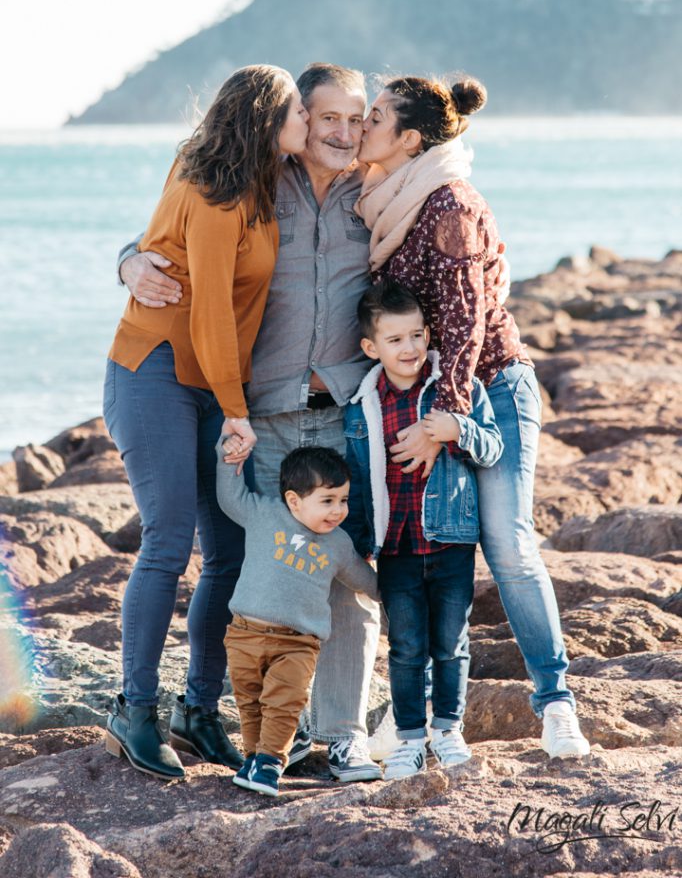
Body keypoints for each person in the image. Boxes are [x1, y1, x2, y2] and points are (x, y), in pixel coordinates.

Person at [117, 64, 384, 782]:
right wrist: (127, 260)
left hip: (277, 401)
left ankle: (234, 717)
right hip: (207, 392)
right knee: (196, 548)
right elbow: (184, 264)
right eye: (315, 115)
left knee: (277, 559)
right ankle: (155, 710)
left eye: (353, 120)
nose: (335, 130)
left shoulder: (349, 188)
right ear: (282, 123)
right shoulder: (237, 182)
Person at [354, 74, 591, 760]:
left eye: (375, 118)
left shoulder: (449, 202)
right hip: (424, 395)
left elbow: (464, 324)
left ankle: (555, 706)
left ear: (410, 138)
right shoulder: (381, 199)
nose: (363, 127)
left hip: (488, 390)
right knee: (407, 547)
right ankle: (405, 719)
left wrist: (445, 422)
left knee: (507, 543)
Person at [103, 65, 310, 781]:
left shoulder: (261, 185)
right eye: (300, 115)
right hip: (155, 375)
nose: (310, 127)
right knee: (166, 540)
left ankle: (199, 709)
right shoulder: (214, 191)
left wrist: (126, 256)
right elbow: (212, 311)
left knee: (228, 549)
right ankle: (134, 709)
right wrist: (235, 411)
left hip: (212, 385)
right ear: (266, 119)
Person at [344, 279, 503, 778]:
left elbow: (494, 446)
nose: (409, 348)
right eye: (395, 340)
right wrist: (358, 544)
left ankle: (447, 731)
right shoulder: (360, 408)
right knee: (407, 647)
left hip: (451, 539)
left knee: (452, 642)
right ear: (372, 348)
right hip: (396, 548)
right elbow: (355, 481)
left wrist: (458, 429)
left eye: (417, 335)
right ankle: (410, 738)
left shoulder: (456, 391)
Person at [216, 446, 379, 796]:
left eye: (344, 500)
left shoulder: (337, 543)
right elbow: (230, 497)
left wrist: (401, 593)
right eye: (328, 500)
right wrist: (227, 454)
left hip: (297, 642)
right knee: (250, 700)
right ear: (293, 500)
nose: (339, 510)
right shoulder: (263, 513)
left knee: (284, 701)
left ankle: (272, 762)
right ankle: (253, 758)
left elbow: (364, 581)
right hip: (244, 632)